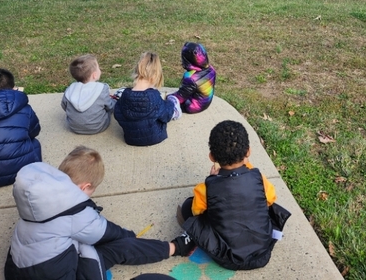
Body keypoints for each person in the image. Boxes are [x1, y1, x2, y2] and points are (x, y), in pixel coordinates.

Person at [5, 146, 181, 280]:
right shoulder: (76, 213)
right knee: (108, 248)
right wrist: (130, 235)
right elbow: (106, 232)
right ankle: (176, 247)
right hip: (57, 274)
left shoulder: (38, 202)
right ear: (85, 187)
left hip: (16, 273)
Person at [175, 120, 291, 270]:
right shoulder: (259, 179)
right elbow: (270, 200)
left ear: (211, 157)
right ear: (248, 152)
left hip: (228, 258)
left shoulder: (205, 188)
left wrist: (212, 180)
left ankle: (188, 241)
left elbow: (197, 212)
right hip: (262, 253)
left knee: (187, 207)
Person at [113, 51, 180, 146]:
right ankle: (177, 110)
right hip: (155, 137)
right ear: (155, 76)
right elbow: (166, 116)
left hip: (130, 138)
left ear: (136, 71)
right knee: (171, 104)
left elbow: (117, 114)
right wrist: (170, 104)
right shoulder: (154, 97)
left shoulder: (124, 96)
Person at [0, 67, 42, 187]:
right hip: (20, 172)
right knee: (34, 142)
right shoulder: (25, 108)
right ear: (13, 87)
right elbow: (34, 131)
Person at [62, 53, 114, 134]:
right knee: (111, 106)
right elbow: (109, 107)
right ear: (94, 75)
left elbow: (64, 106)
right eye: (99, 68)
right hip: (98, 126)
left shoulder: (69, 90)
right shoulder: (102, 89)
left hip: (74, 127)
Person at [174, 41, 215, 113]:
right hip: (206, 102)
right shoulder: (211, 69)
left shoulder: (191, 78)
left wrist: (168, 98)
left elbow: (181, 96)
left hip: (192, 106)